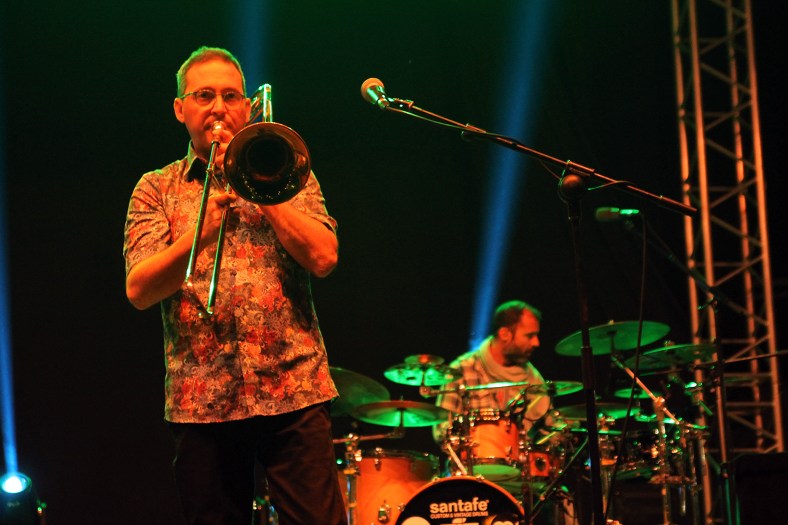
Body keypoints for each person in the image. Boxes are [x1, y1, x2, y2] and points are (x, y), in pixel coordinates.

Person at [123, 46, 346, 525]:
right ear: (180, 109)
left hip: (295, 390)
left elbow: (324, 258)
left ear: (248, 107)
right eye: (204, 96)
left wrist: (260, 186)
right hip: (202, 402)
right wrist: (199, 233)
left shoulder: (289, 169)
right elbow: (139, 289)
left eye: (230, 96)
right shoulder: (155, 187)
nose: (219, 107)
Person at [433, 300, 551, 447]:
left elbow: (549, 430)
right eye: (529, 336)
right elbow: (441, 429)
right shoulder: (462, 370)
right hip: (472, 459)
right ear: (505, 334)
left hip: (521, 461)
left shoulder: (534, 379)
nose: (536, 343)